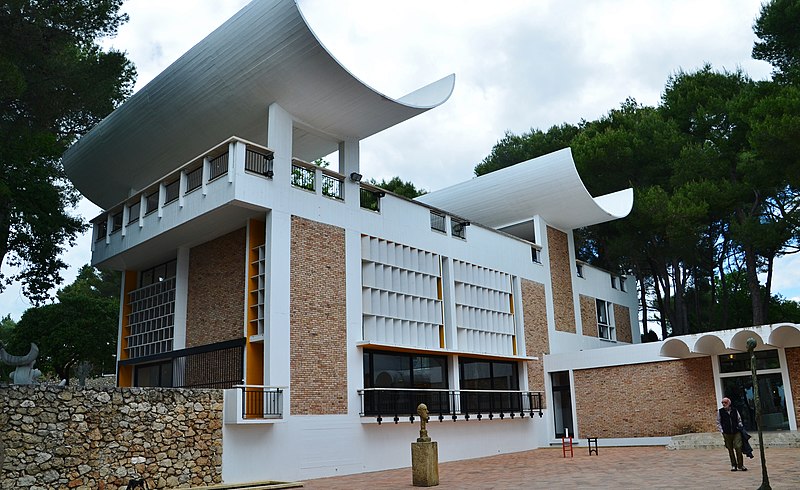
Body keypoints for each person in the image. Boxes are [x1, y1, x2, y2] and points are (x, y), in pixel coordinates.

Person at [716, 397, 747, 471]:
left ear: (729, 403)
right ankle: (733, 465)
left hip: (736, 432)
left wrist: (740, 426)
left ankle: (741, 465)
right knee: (730, 449)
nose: (724, 404)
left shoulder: (735, 410)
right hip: (726, 433)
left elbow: (739, 419)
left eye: (725, 402)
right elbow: (718, 422)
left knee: (738, 447)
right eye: (722, 403)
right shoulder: (720, 412)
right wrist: (722, 431)